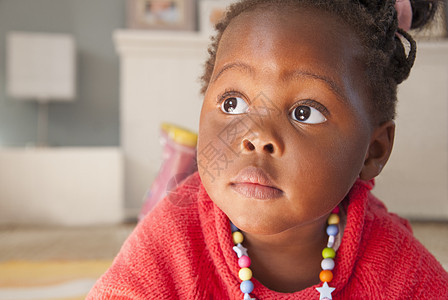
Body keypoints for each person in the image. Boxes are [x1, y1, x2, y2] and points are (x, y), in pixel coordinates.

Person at [87, 0, 448, 299]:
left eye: (304, 112)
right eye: (232, 103)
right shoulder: (172, 238)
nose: (256, 136)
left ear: (374, 151)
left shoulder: (396, 269)